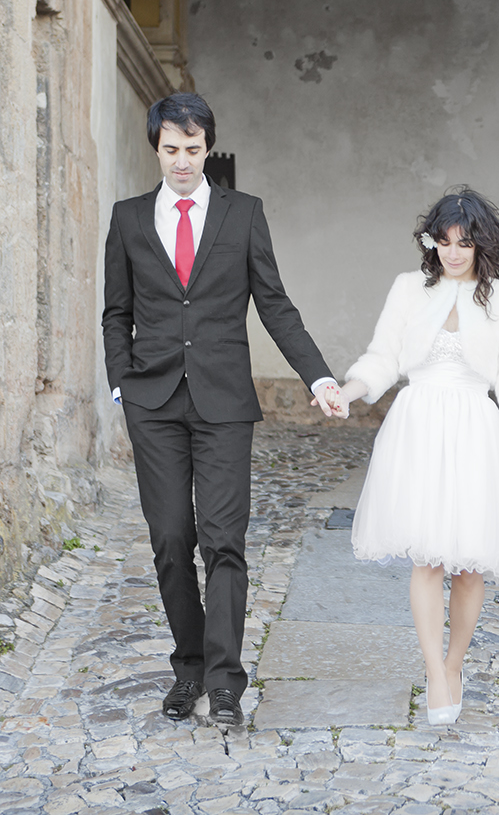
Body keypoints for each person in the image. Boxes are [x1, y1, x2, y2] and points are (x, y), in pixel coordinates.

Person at [102, 92, 346, 727]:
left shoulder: (243, 214)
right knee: (170, 539)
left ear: (207, 148)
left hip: (224, 403)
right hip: (152, 401)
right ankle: (188, 666)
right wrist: (121, 386)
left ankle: (225, 679)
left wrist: (317, 376)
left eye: (193, 149)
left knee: (223, 540)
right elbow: (116, 313)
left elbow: (274, 302)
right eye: (170, 150)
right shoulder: (128, 219)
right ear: (155, 148)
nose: (182, 162)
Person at [338, 187, 499, 725]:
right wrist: (347, 392)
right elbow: (383, 356)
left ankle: (456, 663)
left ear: (482, 244)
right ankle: (434, 672)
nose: (453, 253)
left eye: (464, 243)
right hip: (417, 423)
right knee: (427, 557)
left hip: (474, 427)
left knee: (468, 565)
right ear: (432, 243)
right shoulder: (408, 289)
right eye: (444, 242)